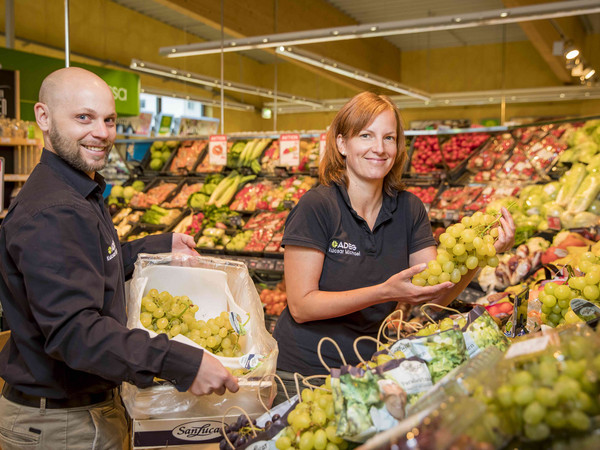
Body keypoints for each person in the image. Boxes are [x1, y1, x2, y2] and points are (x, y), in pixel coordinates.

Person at [0, 67, 238, 450]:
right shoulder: (55, 210)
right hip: (61, 426)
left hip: (78, 414)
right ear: (43, 117)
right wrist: (179, 362)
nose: (102, 133)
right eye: (84, 117)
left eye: (109, 120)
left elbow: (91, 264)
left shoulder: (77, 191)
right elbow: (75, 332)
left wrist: (160, 244)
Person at [272, 92, 515, 392]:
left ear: (399, 146)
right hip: (302, 374)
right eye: (366, 136)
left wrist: (479, 256)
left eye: (389, 138)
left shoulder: (409, 209)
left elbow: (432, 296)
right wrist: (383, 292)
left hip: (371, 368)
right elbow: (301, 306)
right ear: (341, 144)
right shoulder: (317, 206)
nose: (379, 148)